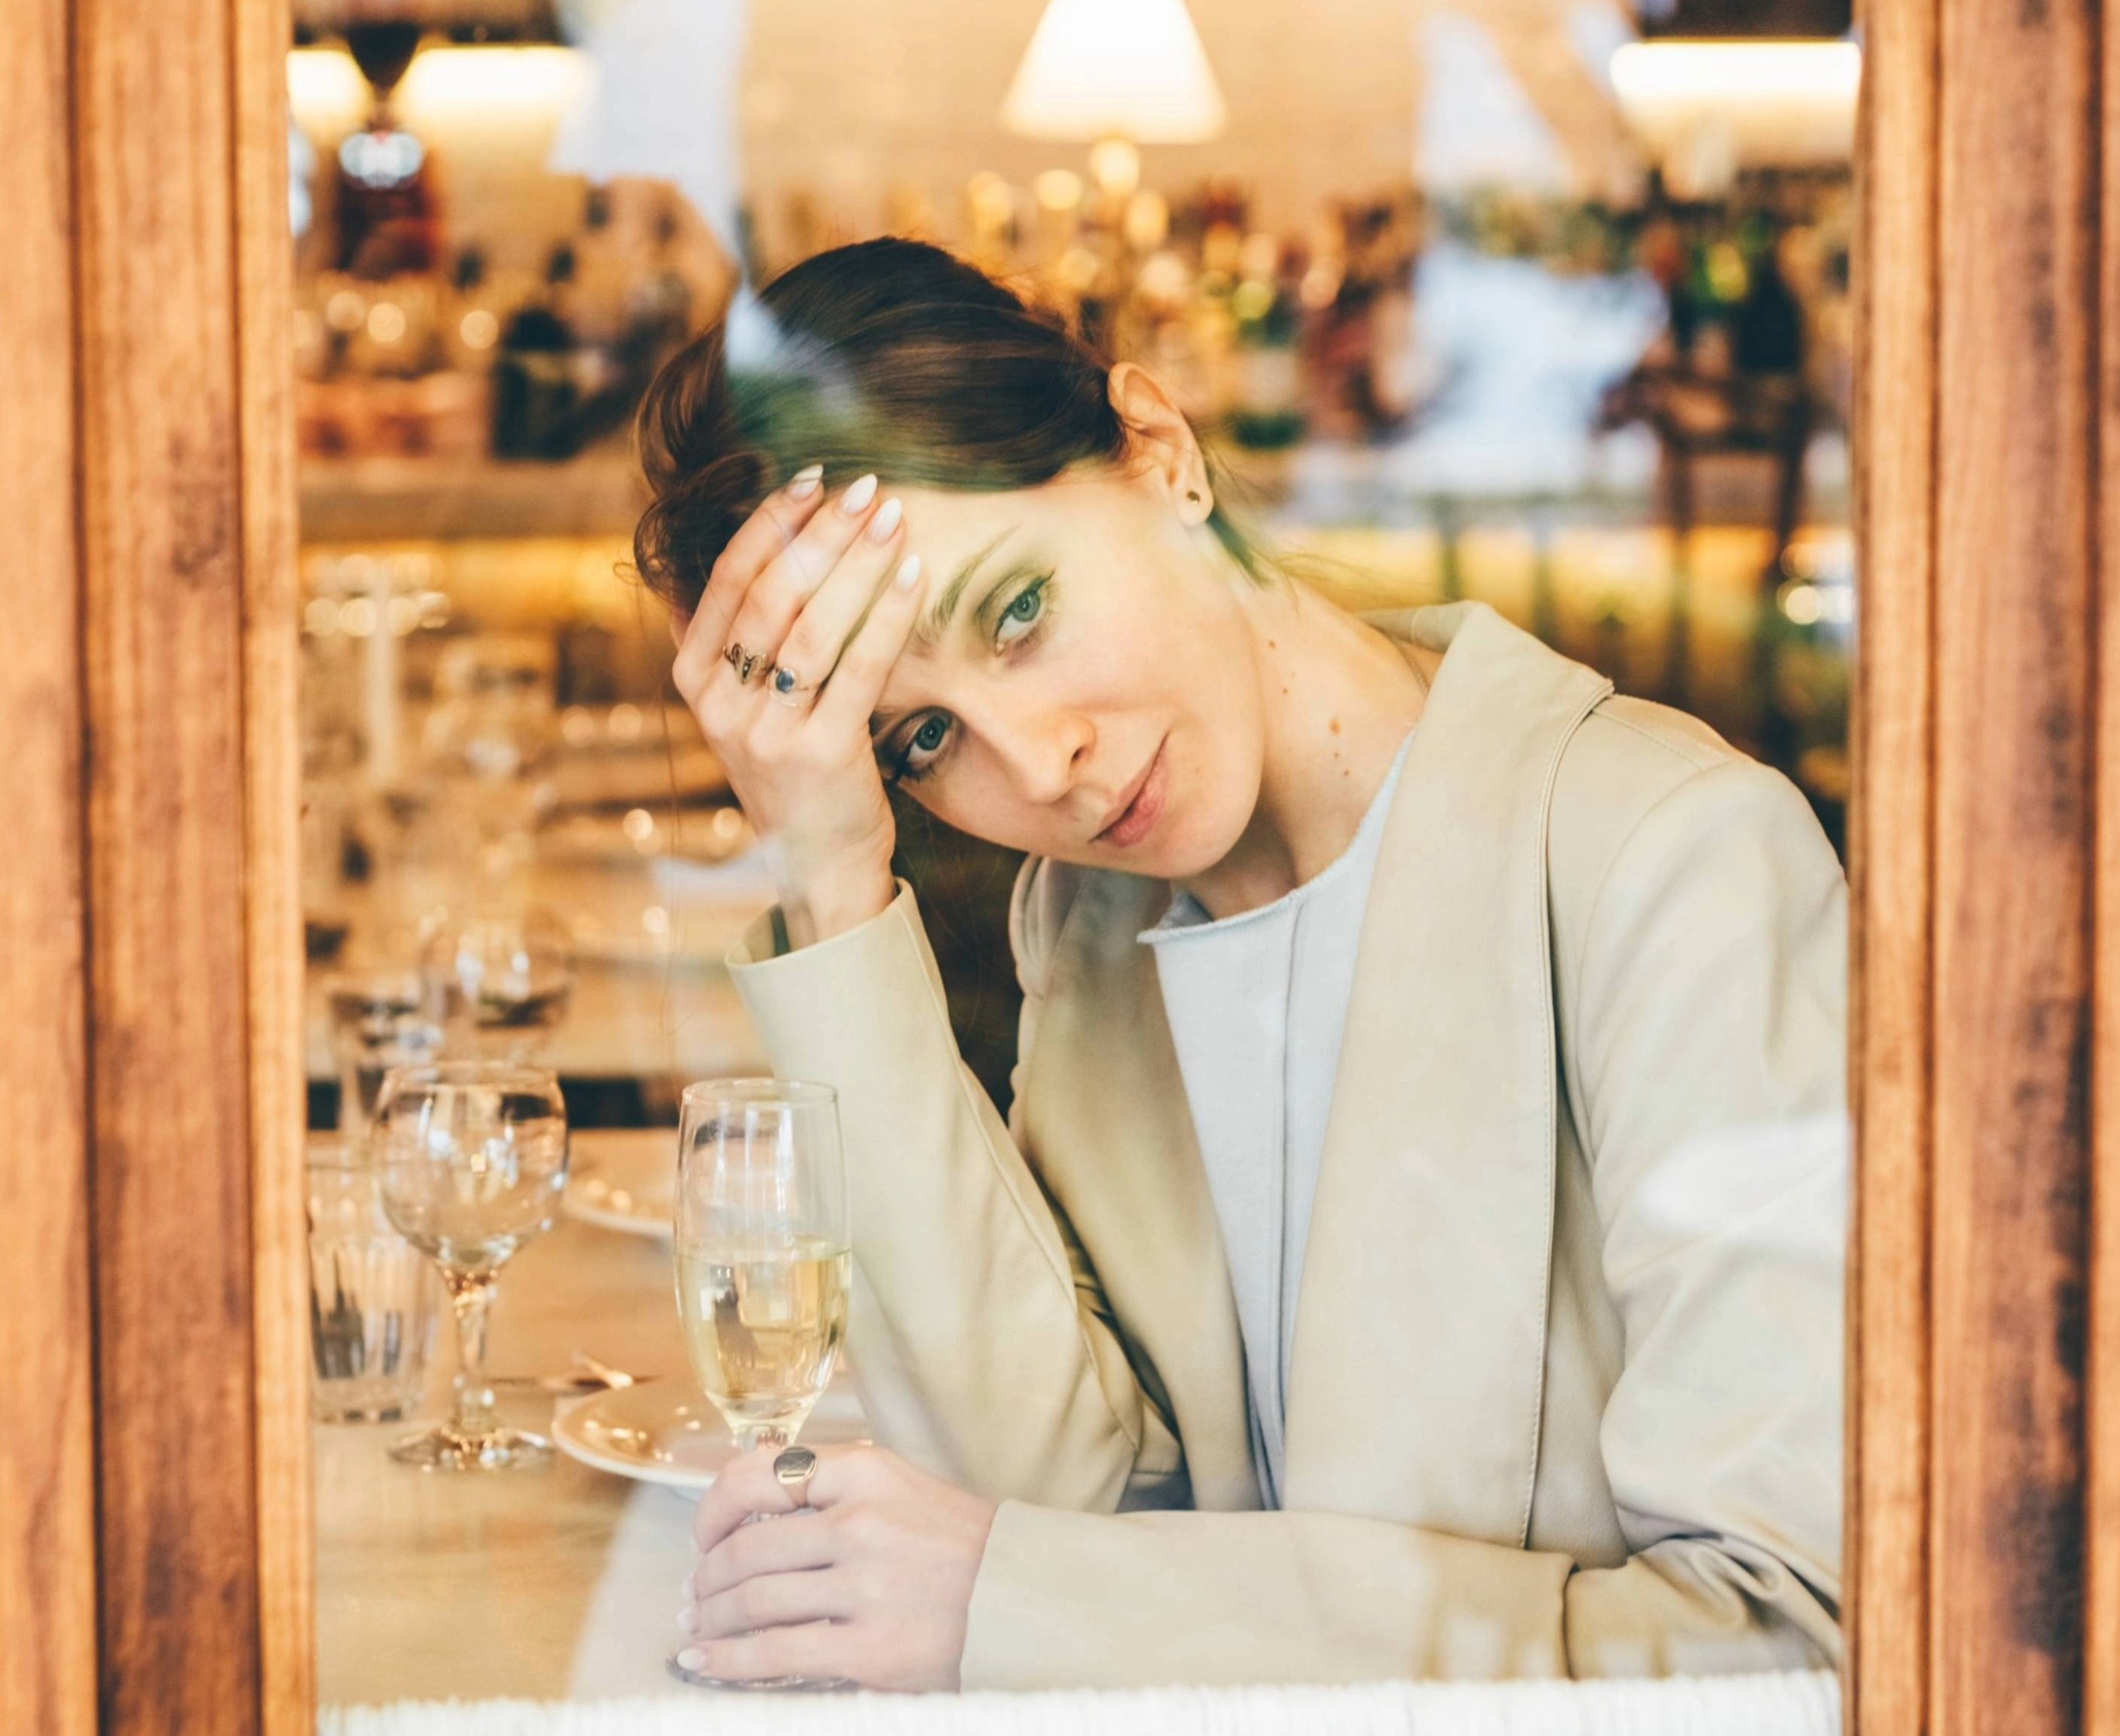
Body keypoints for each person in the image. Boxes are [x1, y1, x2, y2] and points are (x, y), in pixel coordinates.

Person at [627, 236, 1847, 1694]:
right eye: (923, 742)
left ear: (1159, 452)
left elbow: (1785, 1652)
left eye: (1017, 612)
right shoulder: (1090, 924)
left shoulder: (1672, 862)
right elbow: (1062, 1501)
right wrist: (830, 868)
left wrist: (1016, 1606)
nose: (1045, 768)